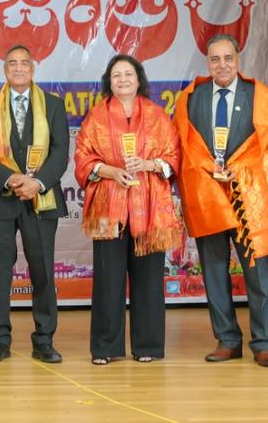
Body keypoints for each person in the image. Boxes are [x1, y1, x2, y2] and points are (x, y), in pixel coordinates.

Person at [173, 33, 268, 367]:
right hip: (208, 195)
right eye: (215, 59)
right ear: (207, 62)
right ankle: (227, 339)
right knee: (213, 271)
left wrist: (240, 170)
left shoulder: (261, 97)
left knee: (257, 274)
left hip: (248, 198)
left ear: (238, 60)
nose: (221, 65)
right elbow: (184, 146)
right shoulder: (192, 98)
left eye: (228, 58)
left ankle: (263, 342)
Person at [74, 54, 181, 365]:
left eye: (128, 74)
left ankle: (148, 345)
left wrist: (148, 164)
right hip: (109, 206)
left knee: (148, 279)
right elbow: (83, 158)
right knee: (108, 280)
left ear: (139, 79)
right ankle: (106, 348)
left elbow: (173, 158)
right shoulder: (96, 116)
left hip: (150, 208)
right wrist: (110, 171)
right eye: (116, 75)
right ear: (109, 81)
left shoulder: (158, 116)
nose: (122, 80)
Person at [0, 45, 70, 363]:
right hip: (0, 201)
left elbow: (60, 154)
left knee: (42, 272)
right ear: (4, 70)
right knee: (0, 273)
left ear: (33, 68)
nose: (18, 68)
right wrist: (11, 178)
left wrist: (36, 183)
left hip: (41, 199)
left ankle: (44, 339)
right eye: (11, 63)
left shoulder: (53, 106)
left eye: (24, 63)